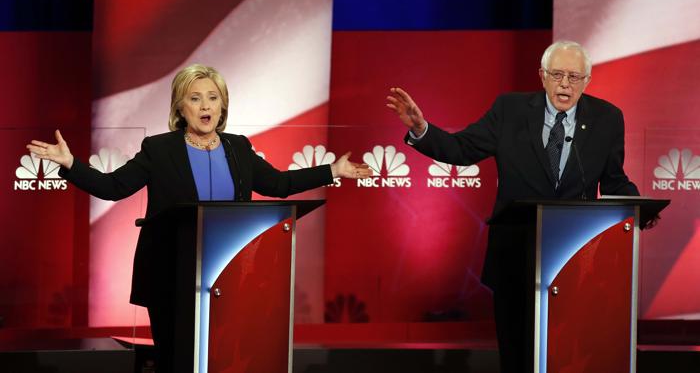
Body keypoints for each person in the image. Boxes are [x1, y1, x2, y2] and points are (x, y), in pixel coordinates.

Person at [27, 64, 372, 372]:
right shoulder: (159, 149)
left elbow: (279, 184)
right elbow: (113, 186)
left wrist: (333, 170)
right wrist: (71, 164)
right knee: (176, 360)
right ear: (180, 106)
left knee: (226, 359)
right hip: (171, 277)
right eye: (195, 98)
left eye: (212, 97)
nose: (205, 105)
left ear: (222, 105)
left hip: (232, 276)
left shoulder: (239, 148)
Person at [386, 40, 640, 373]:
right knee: (518, 356)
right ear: (542, 76)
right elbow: (461, 149)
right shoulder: (510, 111)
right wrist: (422, 128)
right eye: (558, 74)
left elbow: (613, 180)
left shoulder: (606, 118)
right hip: (515, 257)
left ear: (587, 81)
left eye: (575, 77)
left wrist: (639, 207)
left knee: (568, 357)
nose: (565, 84)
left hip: (576, 259)